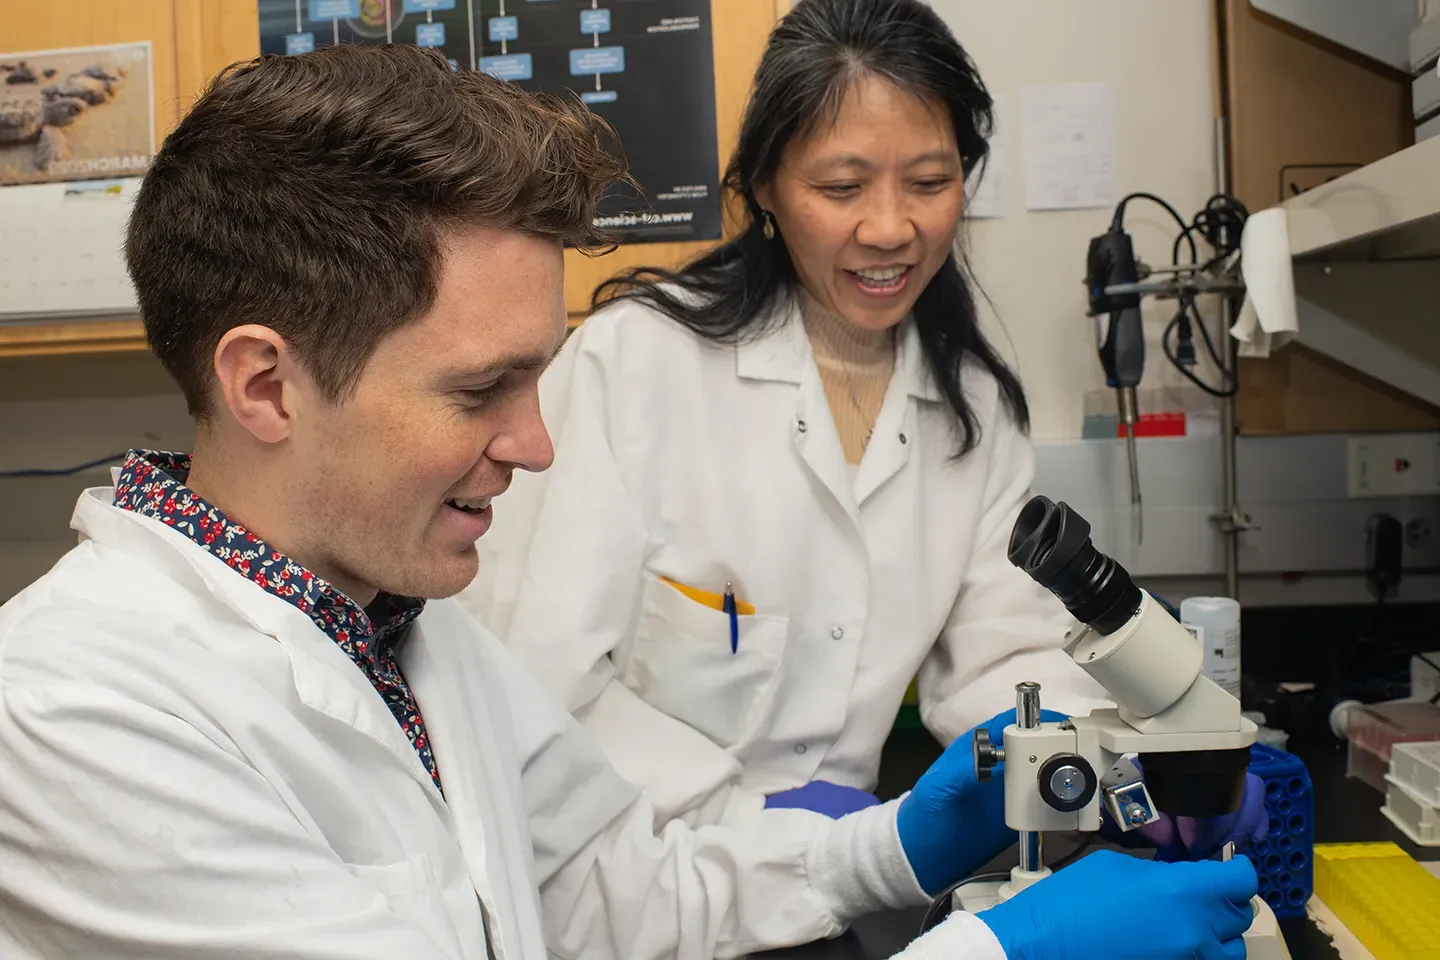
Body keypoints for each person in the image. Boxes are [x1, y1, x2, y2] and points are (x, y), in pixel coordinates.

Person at [0, 42, 1258, 960]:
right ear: (267, 384)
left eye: (537, 378)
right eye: (483, 388)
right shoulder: (75, 710)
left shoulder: (403, 636)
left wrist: (899, 846)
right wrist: (995, 958)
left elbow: (608, 887)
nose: (539, 444)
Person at [457, 0, 1266, 859]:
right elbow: (534, 674)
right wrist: (746, 815)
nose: (890, 228)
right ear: (765, 187)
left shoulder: (970, 408)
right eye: (841, 188)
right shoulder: (638, 365)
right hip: (631, 870)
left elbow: (1004, 657)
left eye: (929, 181)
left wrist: (1125, 768)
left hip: (840, 882)